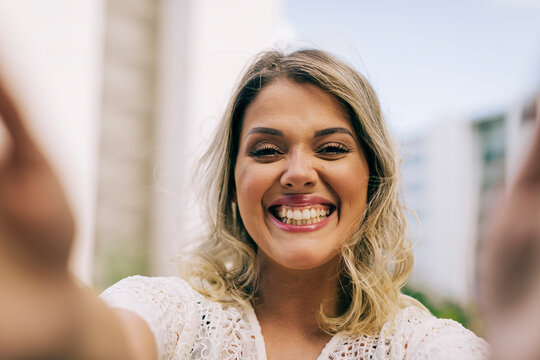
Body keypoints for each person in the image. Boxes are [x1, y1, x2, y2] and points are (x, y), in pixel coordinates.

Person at [0, 49, 488, 359]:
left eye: (332, 148)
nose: (298, 172)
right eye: (267, 150)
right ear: (234, 181)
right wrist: (57, 310)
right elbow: (113, 342)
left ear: (373, 177)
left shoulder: (422, 344)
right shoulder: (172, 314)